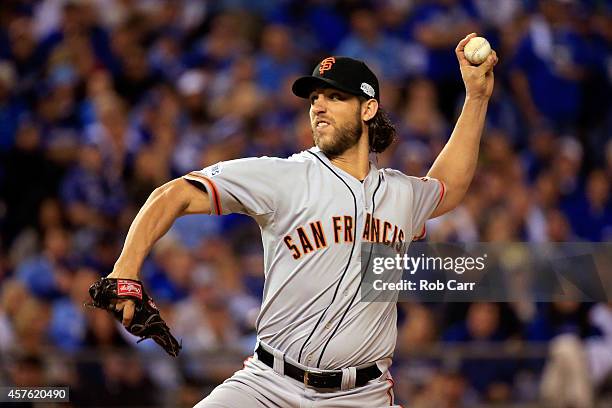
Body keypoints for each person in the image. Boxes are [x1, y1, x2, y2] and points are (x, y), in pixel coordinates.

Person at [106, 33, 497, 407]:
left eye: (334, 96)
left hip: (361, 395)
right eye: (314, 98)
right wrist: (126, 269)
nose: (319, 106)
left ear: (368, 108)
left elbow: (449, 184)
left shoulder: (400, 194)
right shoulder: (284, 177)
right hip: (268, 385)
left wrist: (476, 98)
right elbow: (171, 194)